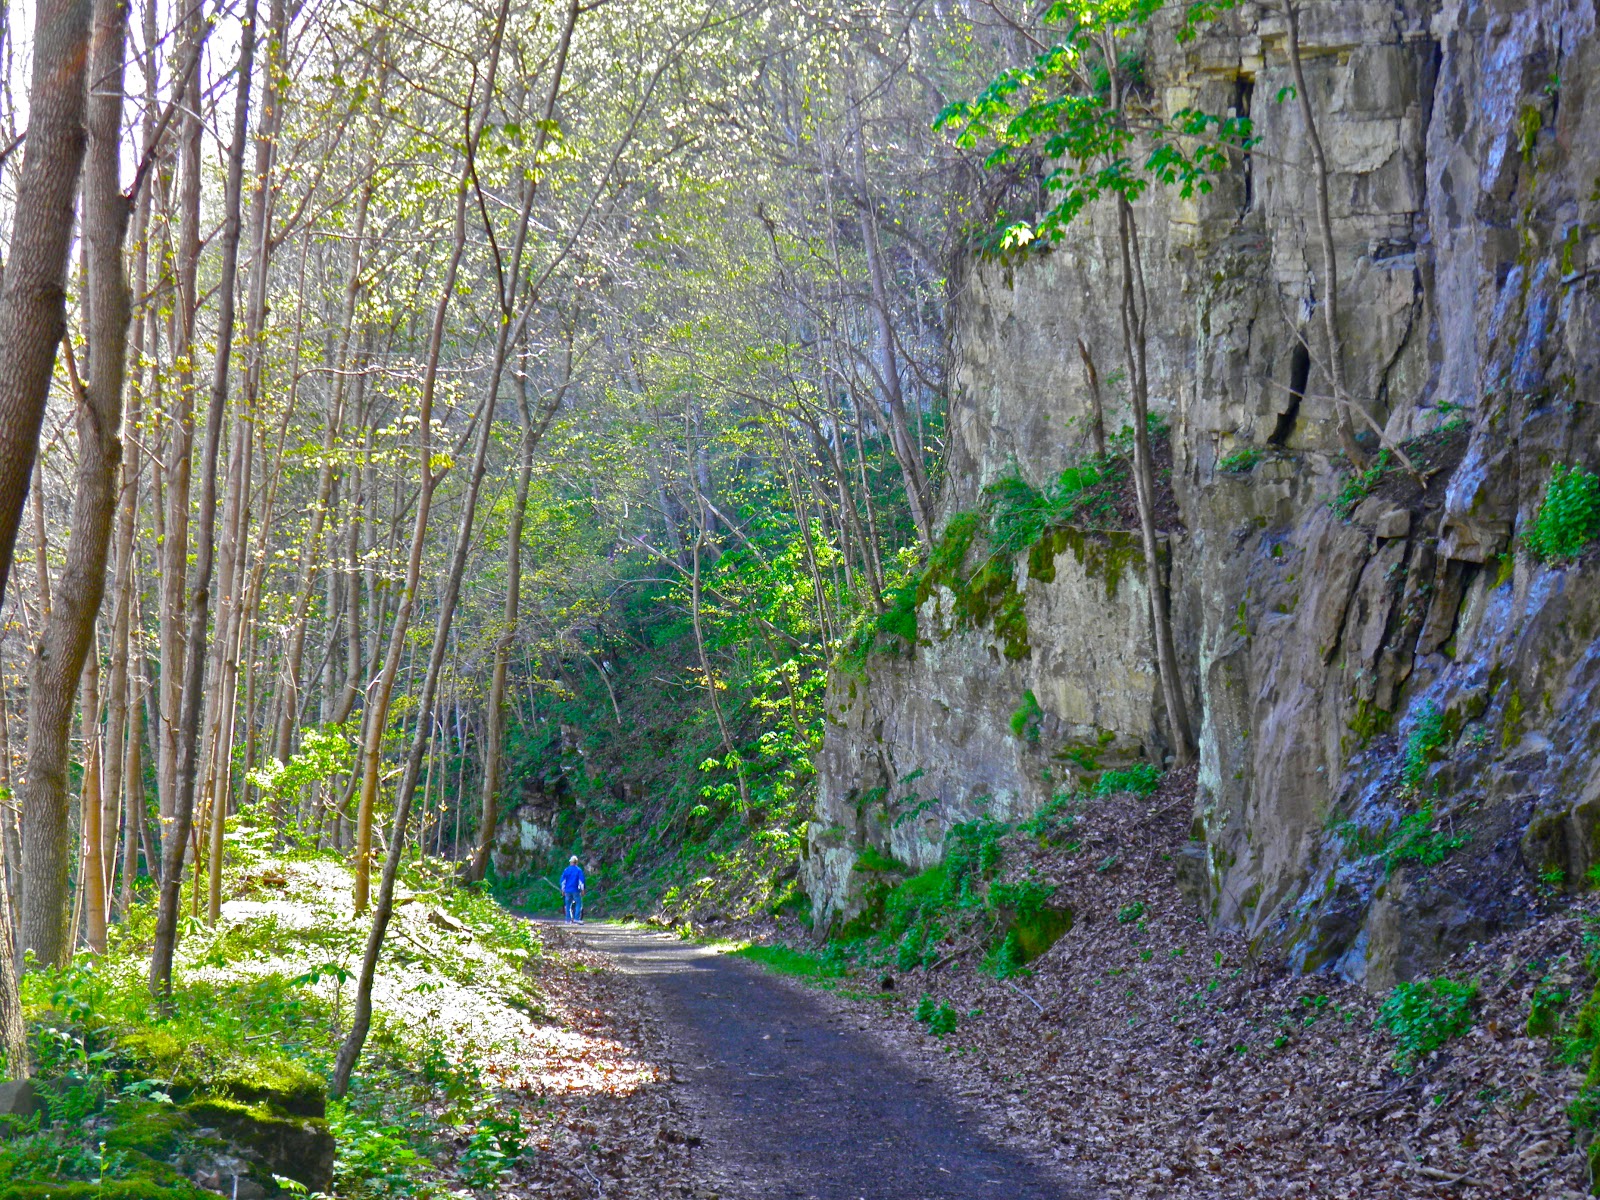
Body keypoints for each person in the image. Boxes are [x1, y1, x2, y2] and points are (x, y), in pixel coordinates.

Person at [560, 855, 586, 923]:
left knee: (568, 905)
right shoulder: (579, 870)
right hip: (576, 890)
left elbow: (563, 881)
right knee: (578, 904)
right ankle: (576, 919)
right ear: (576, 862)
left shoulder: (566, 870)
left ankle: (568, 920)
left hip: (567, 890)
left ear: (570, 862)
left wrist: (562, 890)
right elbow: (581, 881)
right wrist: (582, 890)